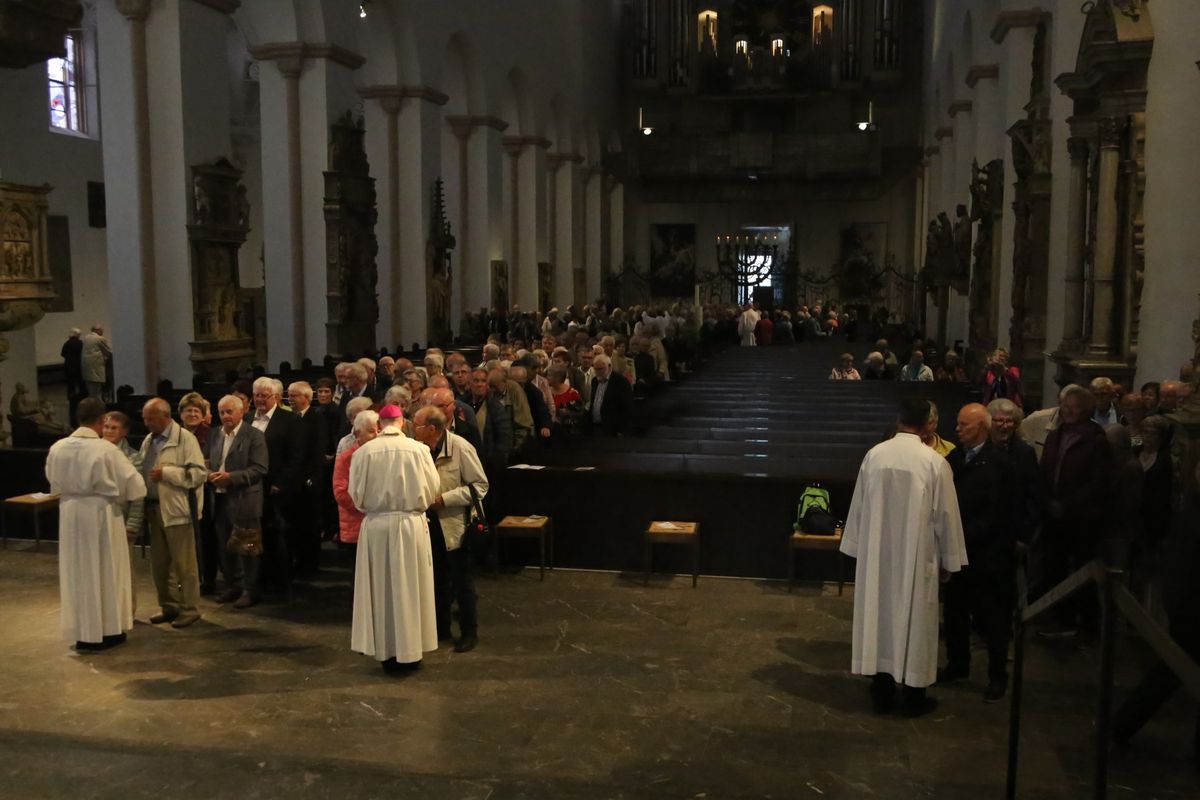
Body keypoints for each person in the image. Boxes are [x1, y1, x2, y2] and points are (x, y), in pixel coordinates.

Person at [840, 397, 967, 716]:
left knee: (880, 615)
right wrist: (950, 561)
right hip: (917, 554)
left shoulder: (875, 456)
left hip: (878, 555)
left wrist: (856, 546)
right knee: (914, 620)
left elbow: (859, 506)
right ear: (927, 425)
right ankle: (913, 694)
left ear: (899, 421)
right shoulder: (934, 462)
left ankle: (881, 688)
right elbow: (946, 516)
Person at [47, 397, 147, 651]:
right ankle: (107, 630)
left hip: (70, 513)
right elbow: (136, 487)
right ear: (102, 421)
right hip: (102, 513)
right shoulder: (106, 450)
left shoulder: (58, 447)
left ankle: (83, 631)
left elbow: (52, 480)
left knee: (78, 572)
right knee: (105, 571)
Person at [349, 404, 442, 674]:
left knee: (382, 589)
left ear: (380, 424)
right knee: (410, 588)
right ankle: (411, 650)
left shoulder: (364, 452)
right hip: (410, 525)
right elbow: (433, 488)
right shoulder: (420, 450)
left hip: (377, 525)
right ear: (403, 423)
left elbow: (356, 494)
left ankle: (386, 651)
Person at [939, 404, 1015, 702]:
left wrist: (963, 536)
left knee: (993, 619)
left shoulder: (1000, 463)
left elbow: (999, 511)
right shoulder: (956, 458)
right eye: (958, 424)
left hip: (988, 554)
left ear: (982, 427)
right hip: (959, 553)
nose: (957, 430)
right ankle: (958, 665)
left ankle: (998, 675)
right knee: (955, 613)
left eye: (964, 425)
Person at [1037, 384, 1113, 638]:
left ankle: (1087, 623)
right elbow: (1046, 472)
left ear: (1086, 410)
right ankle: (1060, 617)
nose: (1068, 412)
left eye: (1074, 408)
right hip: (1054, 516)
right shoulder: (1055, 435)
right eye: (1065, 406)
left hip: (1082, 519)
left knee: (1082, 571)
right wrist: (1048, 500)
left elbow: (1099, 482)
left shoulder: (1097, 440)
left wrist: (1066, 504)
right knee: (1054, 568)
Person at [414, 405, 489, 653]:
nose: (412, 429)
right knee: (436, 581)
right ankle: (440, 629)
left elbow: (480, 486)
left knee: (462, 581)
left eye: (417, 425)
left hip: (456, 525)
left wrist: (445, 499)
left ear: (432, 428)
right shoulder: (419, 450)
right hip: (429, 524)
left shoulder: (460, 447)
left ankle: (469, 632)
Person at [138, 398, 207, 628]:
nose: (146, 422)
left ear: (165, 417)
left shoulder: (185, 439)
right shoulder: (149, 440)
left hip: (178, 511)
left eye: (150, 418)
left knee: (184, 565)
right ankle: (169, 605)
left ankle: (190, 608)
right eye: (145, 418)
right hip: (153, 509)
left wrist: (168, 474)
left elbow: (198, 474)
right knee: (160, 565)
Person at [205, 395, 269, 609]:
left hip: (244, 499)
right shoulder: (214, 434)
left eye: (229, 411)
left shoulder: (254, 435)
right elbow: (206, 461)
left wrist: (230, 478)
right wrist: (208, 474)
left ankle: (251, 590)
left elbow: (259, 468)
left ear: (241, 412)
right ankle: (233, 585)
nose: (225, 416)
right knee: (225, 546)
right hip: (219, 498)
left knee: (248, 546)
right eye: (222, 412)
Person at [251, 376, 303, 590]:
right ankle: (258, 577)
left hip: (277, 487)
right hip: (252, 487)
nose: (260, 400)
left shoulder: (290, 420)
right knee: (256, 533)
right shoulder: (247, 419)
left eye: (265, 396)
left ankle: (280, 580)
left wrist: (281, 482)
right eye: (257, 395)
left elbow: (296, 456)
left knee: (278, 535)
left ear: (277, 397)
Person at [101, 411, 145, 614]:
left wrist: (133, 524)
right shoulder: (96, 451)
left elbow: (136, 496)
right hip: (100, 519)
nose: (108, 431)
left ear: (124, 431)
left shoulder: (133, 457)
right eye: (106, 427)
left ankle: (128, 611)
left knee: (125, 569)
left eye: (114, 428)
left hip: (122, 518)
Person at [333, 409, 378, 550]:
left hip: (378, 523)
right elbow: (341, 493)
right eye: (371, 431)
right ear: (358, 434)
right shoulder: (346, 458)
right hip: (356, 524)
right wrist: (369, 505)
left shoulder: (382, 456)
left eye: (378, 431)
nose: (377, 436)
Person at [589, 354, 633, 437]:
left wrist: (622, 430)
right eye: (596, 369)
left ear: (609, 367)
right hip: (595, 427)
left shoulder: (621, 382)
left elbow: (627, 407)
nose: (598, 372)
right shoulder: (595, 381)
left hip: (613, 429)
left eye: (601, 369)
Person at [81, 324, 112, 400]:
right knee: (98, 391)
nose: (102, 332)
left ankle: (91, 405)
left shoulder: (86, 338)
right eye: (101, 330)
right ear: (97, 330)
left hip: (86, 368)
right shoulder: (100, 339)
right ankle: (99, 407)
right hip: (96, 367)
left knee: (90, 391)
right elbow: (108, 351)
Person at [61, 327, 86, 412]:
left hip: (68, 366)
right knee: (81, 383)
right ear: (78, 335)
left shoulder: (66, 343)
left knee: (70, 385)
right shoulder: (80, 343)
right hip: (78, 367)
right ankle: (83, 399)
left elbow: (63, 354)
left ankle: (71, 400)